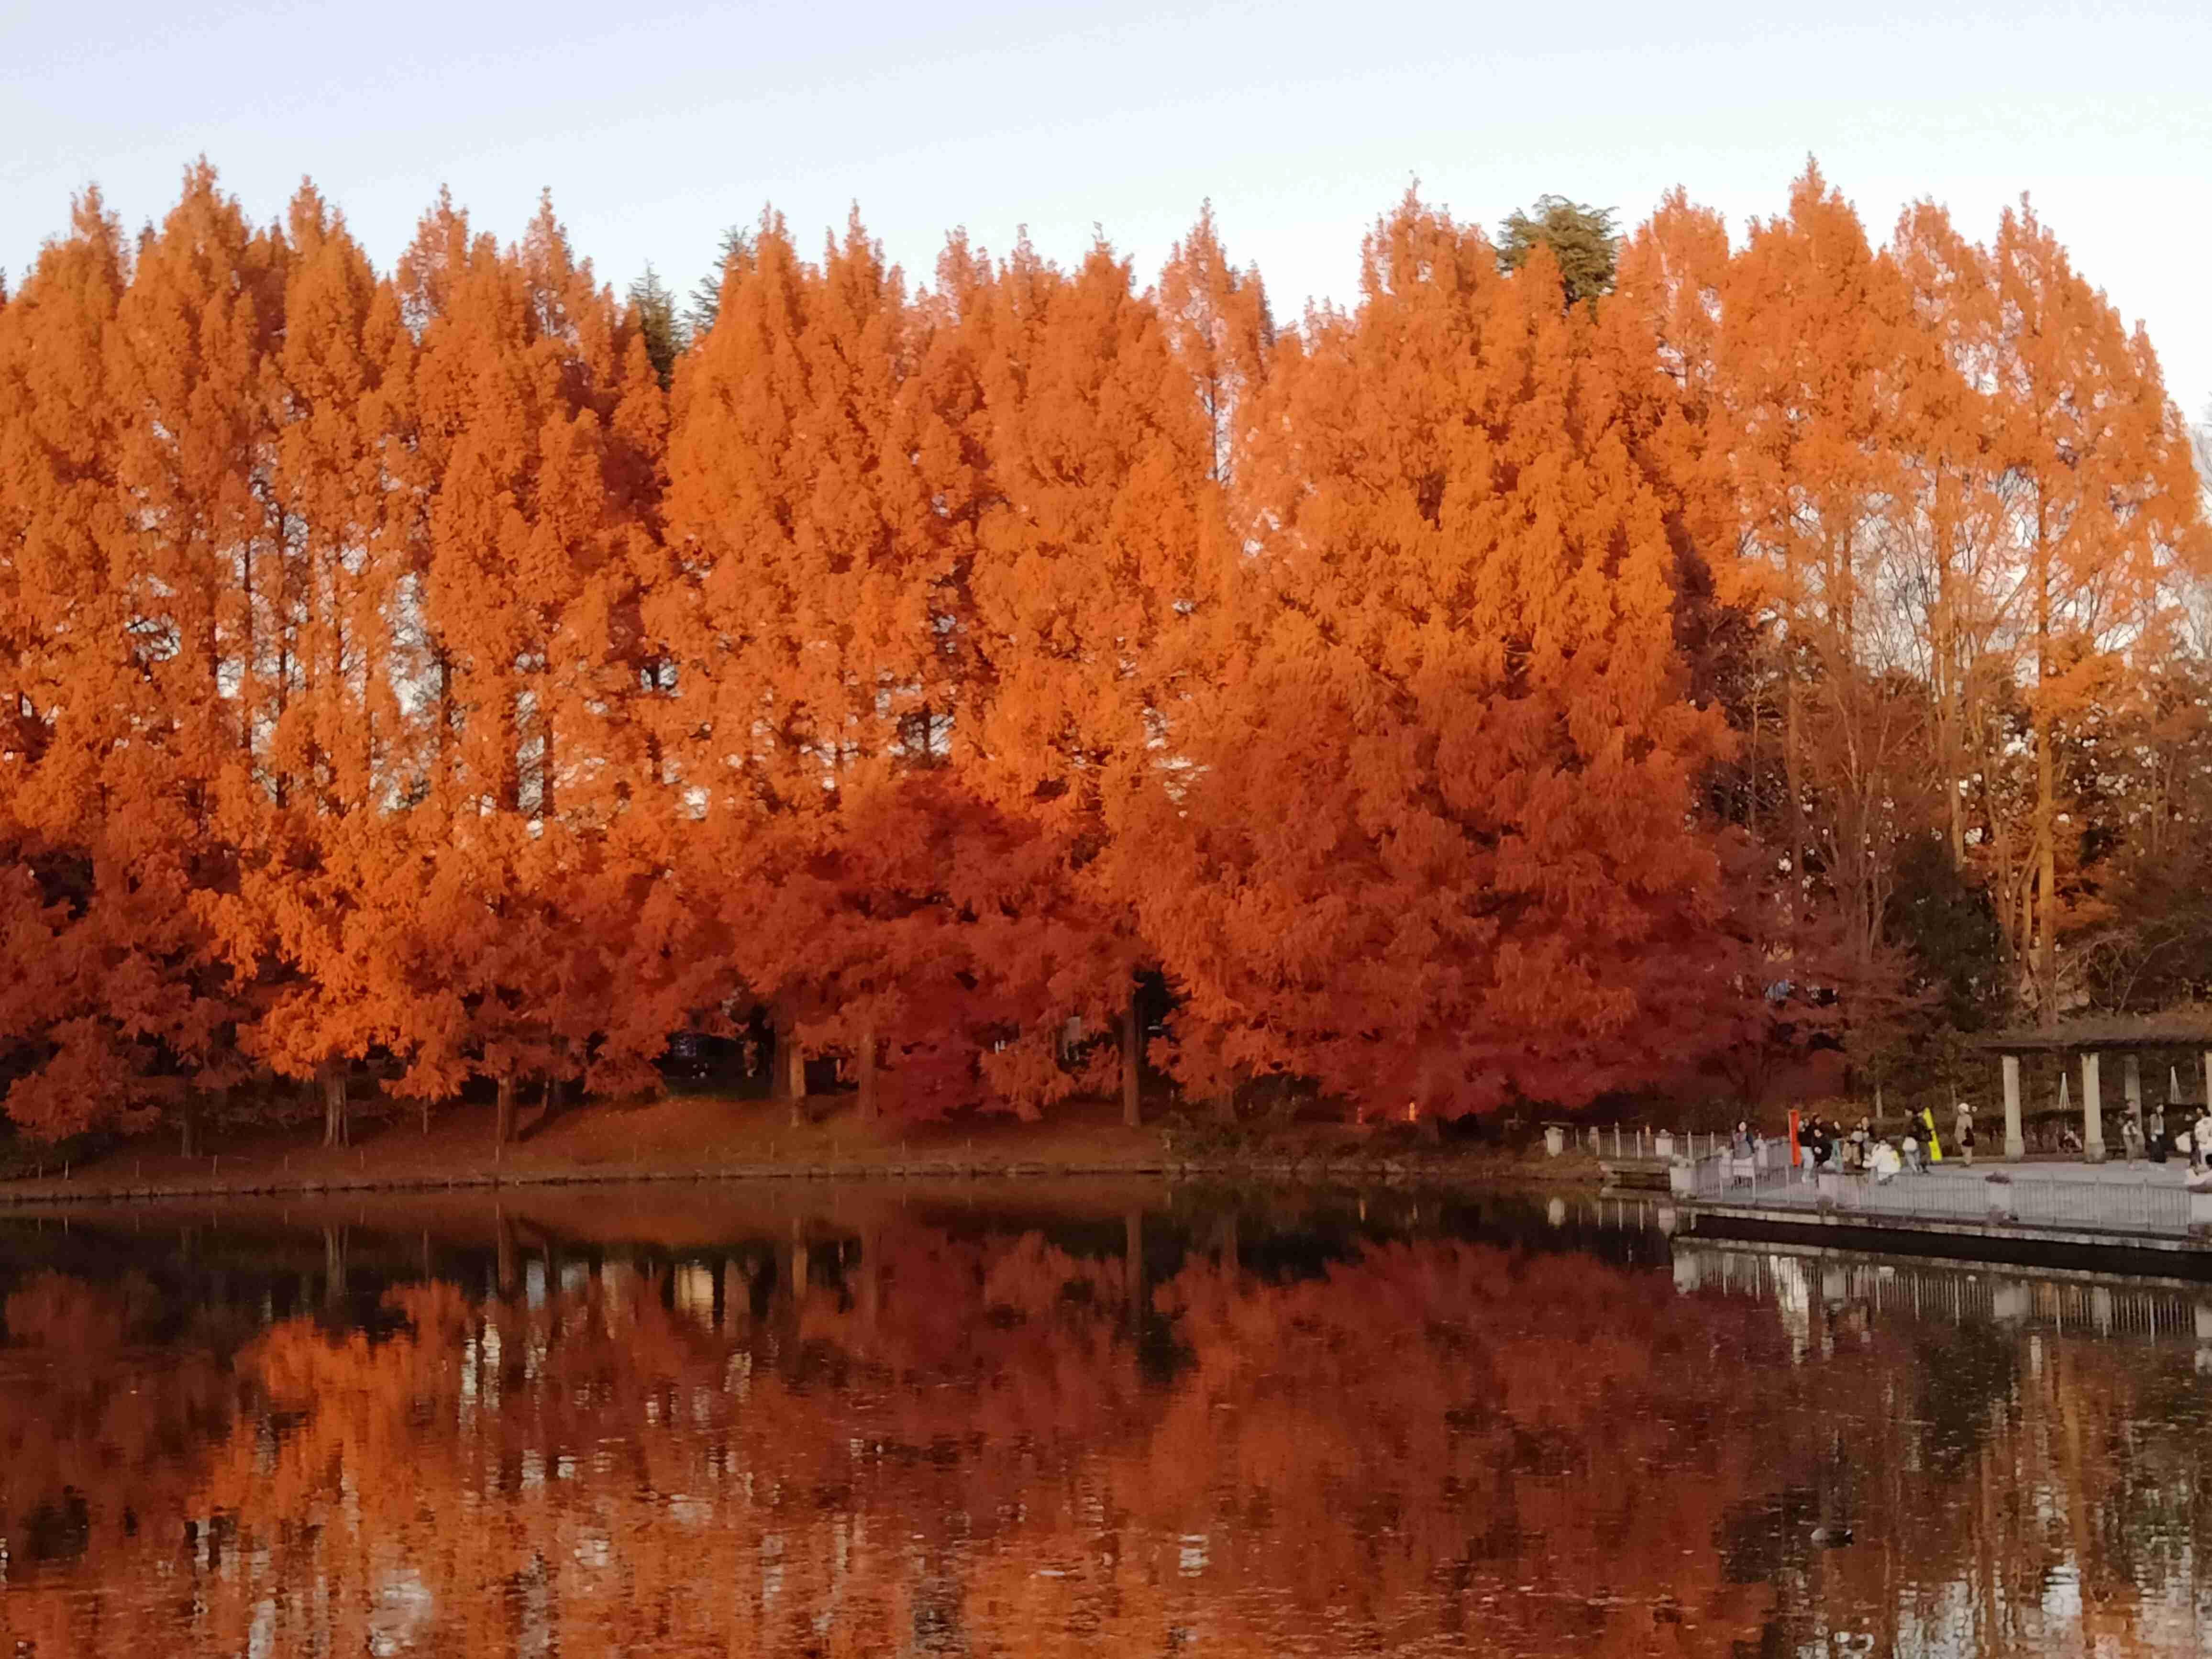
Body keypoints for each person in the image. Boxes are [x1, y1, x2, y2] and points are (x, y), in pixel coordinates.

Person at [1955, 1102, 1975, 1167]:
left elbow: (1970, 1126)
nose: (1959, 1111)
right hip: (1960, 1135)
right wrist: (1956, 1134)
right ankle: (1965, 1161)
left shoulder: (1968, 1117)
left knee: (1968, 1150)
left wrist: (1963, 1127)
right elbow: (1957, 1127)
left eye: (1961, 1110)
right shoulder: (1959, 1117)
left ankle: (1967, 1162)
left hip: (1966, 1135)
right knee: (1963, 1150)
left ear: (1964, 1110)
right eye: (1959, 1110)